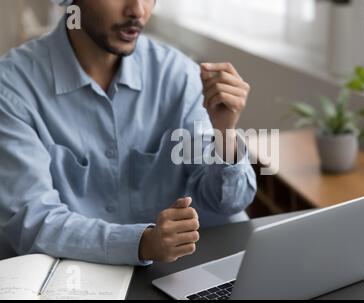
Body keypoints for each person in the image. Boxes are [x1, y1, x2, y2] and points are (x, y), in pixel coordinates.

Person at [0, 0, 256, 266]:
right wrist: (143, 243)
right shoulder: (12, 88)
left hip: (179, 272)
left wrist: (224, 131)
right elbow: (32, 222)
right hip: (73, 277)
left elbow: (228, 203)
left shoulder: (179, 75)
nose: (138, 11)